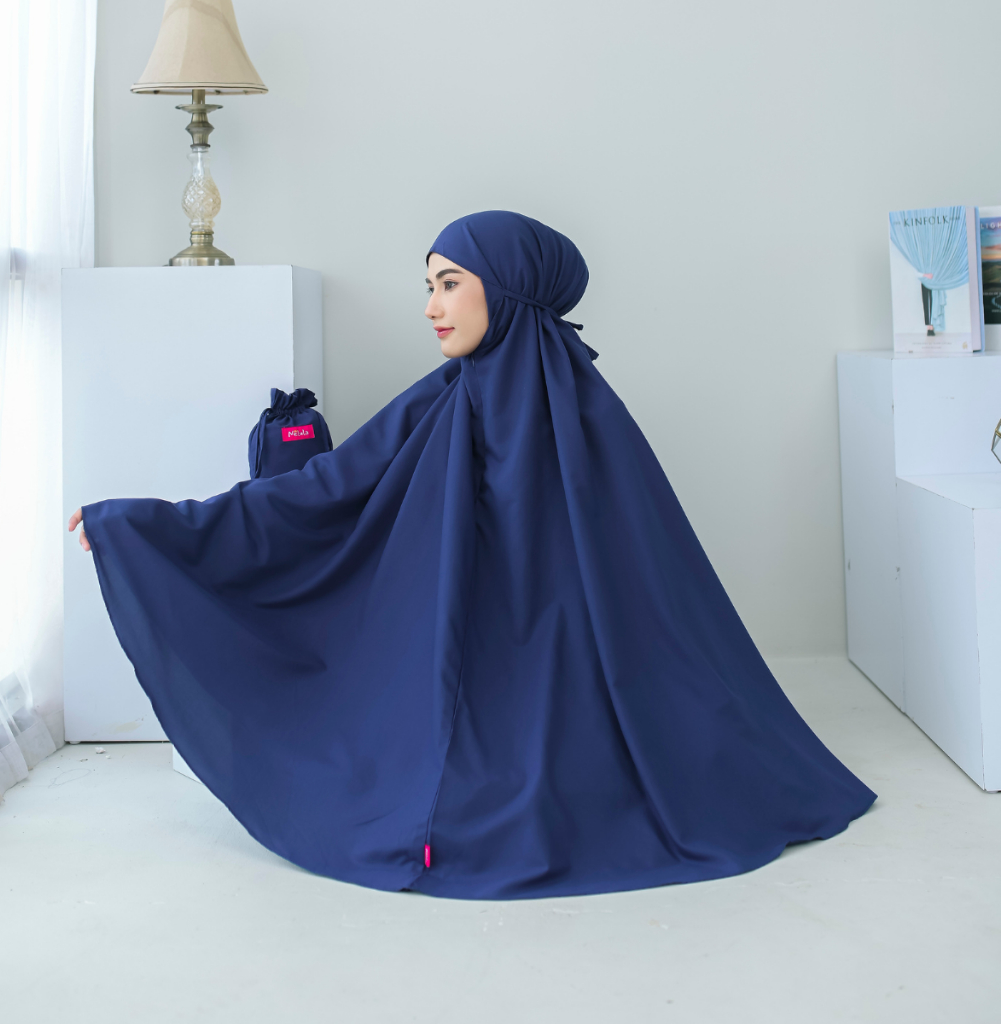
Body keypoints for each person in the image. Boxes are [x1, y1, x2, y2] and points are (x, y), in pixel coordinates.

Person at [68, 211, 875, 900]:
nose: (431, 307)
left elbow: (654, 598)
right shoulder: (439, 400)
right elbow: (319, 491)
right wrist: (147, 526)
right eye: (430, 285)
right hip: (446, 663)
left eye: (450, 283)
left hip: (570, 686)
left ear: (508, 287)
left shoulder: (593, 423)